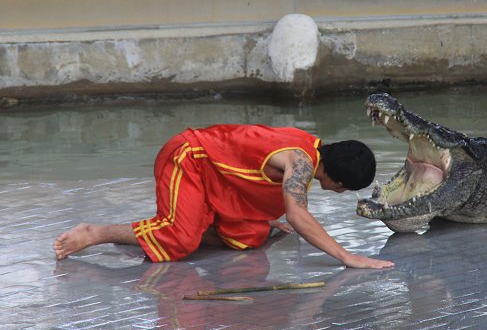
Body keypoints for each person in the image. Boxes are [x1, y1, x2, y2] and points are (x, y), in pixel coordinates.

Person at [53, 124, 394, 269]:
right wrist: (346, 255)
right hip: (187, 157)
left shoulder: (313, 148)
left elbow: (250, 170)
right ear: (338, 183)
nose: (340, 193)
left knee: (252, 234)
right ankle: (95, 233)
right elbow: (298, 213)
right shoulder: (303, 163)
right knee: (179, 241)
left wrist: (266, 215)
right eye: (344, 189)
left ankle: (188, 220)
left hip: (216, 177)